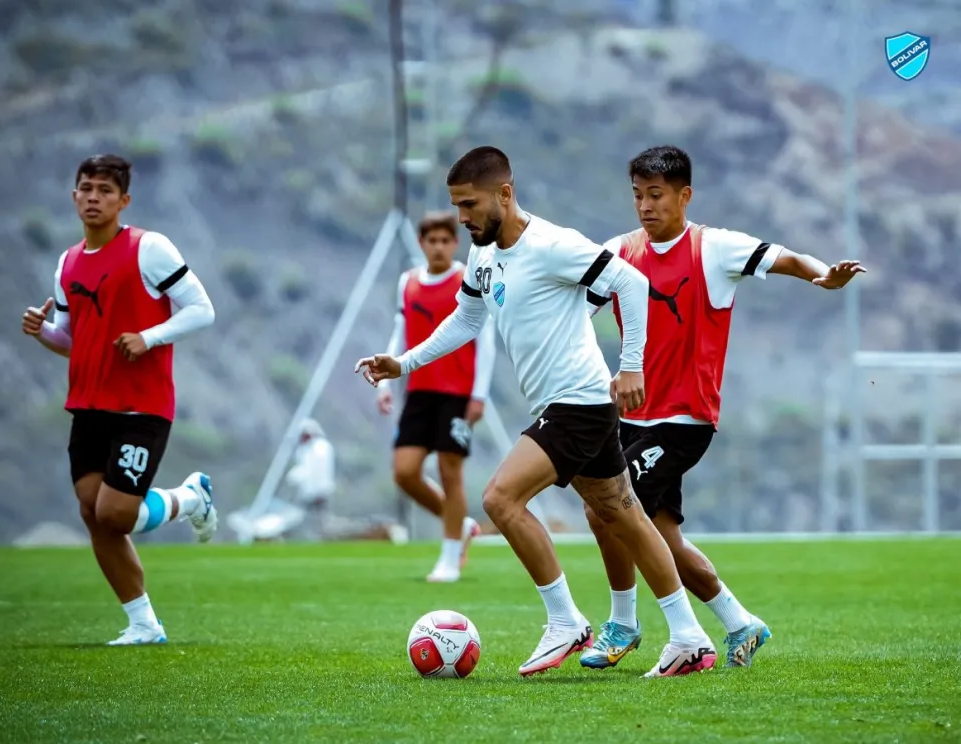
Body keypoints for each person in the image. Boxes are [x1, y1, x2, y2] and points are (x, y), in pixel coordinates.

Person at [356, 146, 716, 677]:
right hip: (568, 405)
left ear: (504, 194)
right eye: (455, 206)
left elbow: (631, 282)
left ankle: (566, 621)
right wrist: (403, 362)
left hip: (580, 402)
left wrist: (632, 365)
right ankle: (689, 637)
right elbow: (465, 320)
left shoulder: (554, 244)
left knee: (500, 498)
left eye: (469, 204)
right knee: (627, 516)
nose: (461, 217)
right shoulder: (482, 253)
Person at [579, 145, 866, 670]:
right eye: (638, 195)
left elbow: (786, 258)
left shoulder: (714, 248)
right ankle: (740, 623)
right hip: (630, 420)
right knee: (661, 536)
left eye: (657, 195)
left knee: (608, 506)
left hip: (685, 418)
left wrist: (823, 276)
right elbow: (573, 305)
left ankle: (627, 624)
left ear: (684, 196)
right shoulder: (618, 252)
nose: (645, 206)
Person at [20, 154, 217, 646]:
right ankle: (144, 625)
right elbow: (72, 337)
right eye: (85, 188)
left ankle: (190, 498)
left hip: (141, 405)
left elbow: (202, 310)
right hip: (87, 405)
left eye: (105, 190)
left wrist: (149, 337)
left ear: (123, 200)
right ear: (73, 196)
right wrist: (42, 331)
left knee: (115, 514)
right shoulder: (66, 262)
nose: (93, 197)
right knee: (92, 509)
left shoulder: (149, 248)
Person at [376, 212, 495, 582]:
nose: (439, 247)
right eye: (432, 241)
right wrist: (385, 381)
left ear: (455, 244)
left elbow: (485, 341)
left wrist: (479, 395)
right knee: (405, 472)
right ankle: (460, 525)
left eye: (446, 240)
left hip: (458, 393)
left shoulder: (467, 278)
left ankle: (448, 559)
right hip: (419, 391)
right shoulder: (407, 283)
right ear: (422, 243)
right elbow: (401, 331)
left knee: (449, 470)